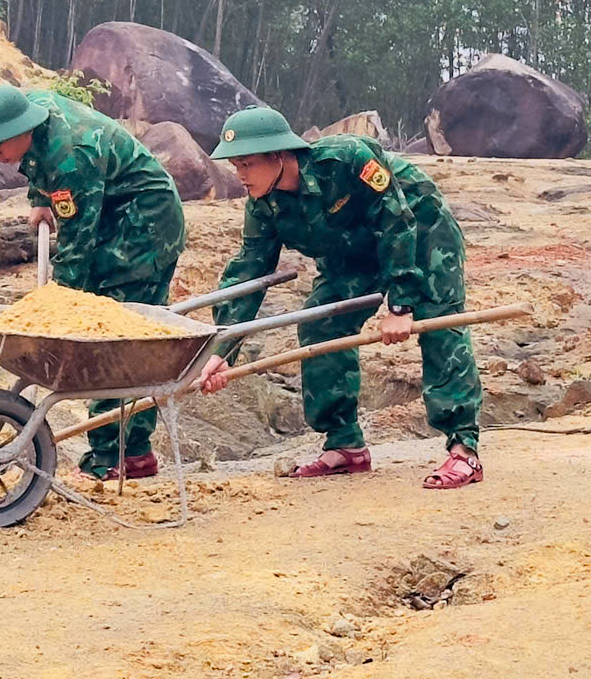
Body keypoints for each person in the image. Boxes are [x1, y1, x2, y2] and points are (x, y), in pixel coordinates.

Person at [194, 106, 483, 489]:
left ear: (280, 155)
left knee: (439, 323)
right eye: (235, 165)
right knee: (320, 323)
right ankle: (345, 445)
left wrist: (400, 305)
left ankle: (464, 450)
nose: (239, 175)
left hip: (421, 235)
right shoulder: (263, 205)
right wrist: (221, 350)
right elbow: (249, 272)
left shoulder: (346, 159)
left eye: (247, 164)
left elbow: (397, 221)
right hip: (352, 253)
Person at [0, 83, 187, 481]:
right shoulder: (32, 108)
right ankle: (132, 453)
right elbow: (42, 168)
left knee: (111, 338)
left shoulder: (71, 158)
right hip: (110, 206)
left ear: (22, 129)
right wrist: (38, 198)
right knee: (105, 327)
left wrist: (57, 313)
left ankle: (112, 457)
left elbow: (76, 250)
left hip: (145, 223)